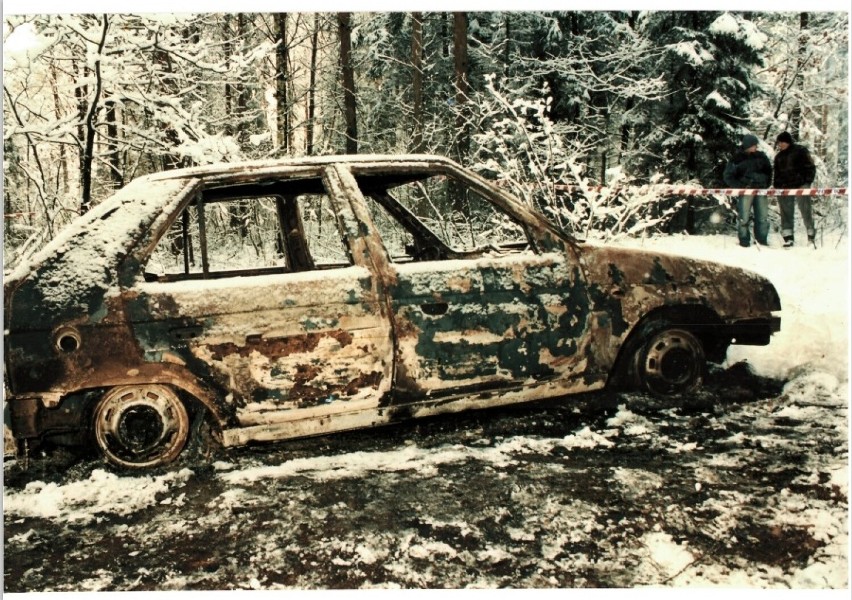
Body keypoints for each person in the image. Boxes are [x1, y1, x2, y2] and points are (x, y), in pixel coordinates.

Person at [724, 133, 773, 247]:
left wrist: (766, 184)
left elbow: (769, 171)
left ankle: (762, 241)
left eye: (756, 145)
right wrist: (740, 186)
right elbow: (728, 176)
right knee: (743, 217)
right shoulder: (737, 158)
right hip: (746, 192)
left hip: (761, 191)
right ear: (747, 145)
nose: (755, 147)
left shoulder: (761, 156)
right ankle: (744, 241)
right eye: (753, 145)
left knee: (762, 217)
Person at [773, 131, 817, 247]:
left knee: (805, 209)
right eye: (779, 143)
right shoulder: (778, 157)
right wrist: (777, 186)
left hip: (801, 185)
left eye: (782, 142)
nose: (780, 145)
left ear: (788, 141)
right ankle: (788, 237)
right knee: (786, 212)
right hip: (785, 187)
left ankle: (811, 236)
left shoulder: (800, 151)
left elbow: (811, 167)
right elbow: (777, 174)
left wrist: (807, 182)